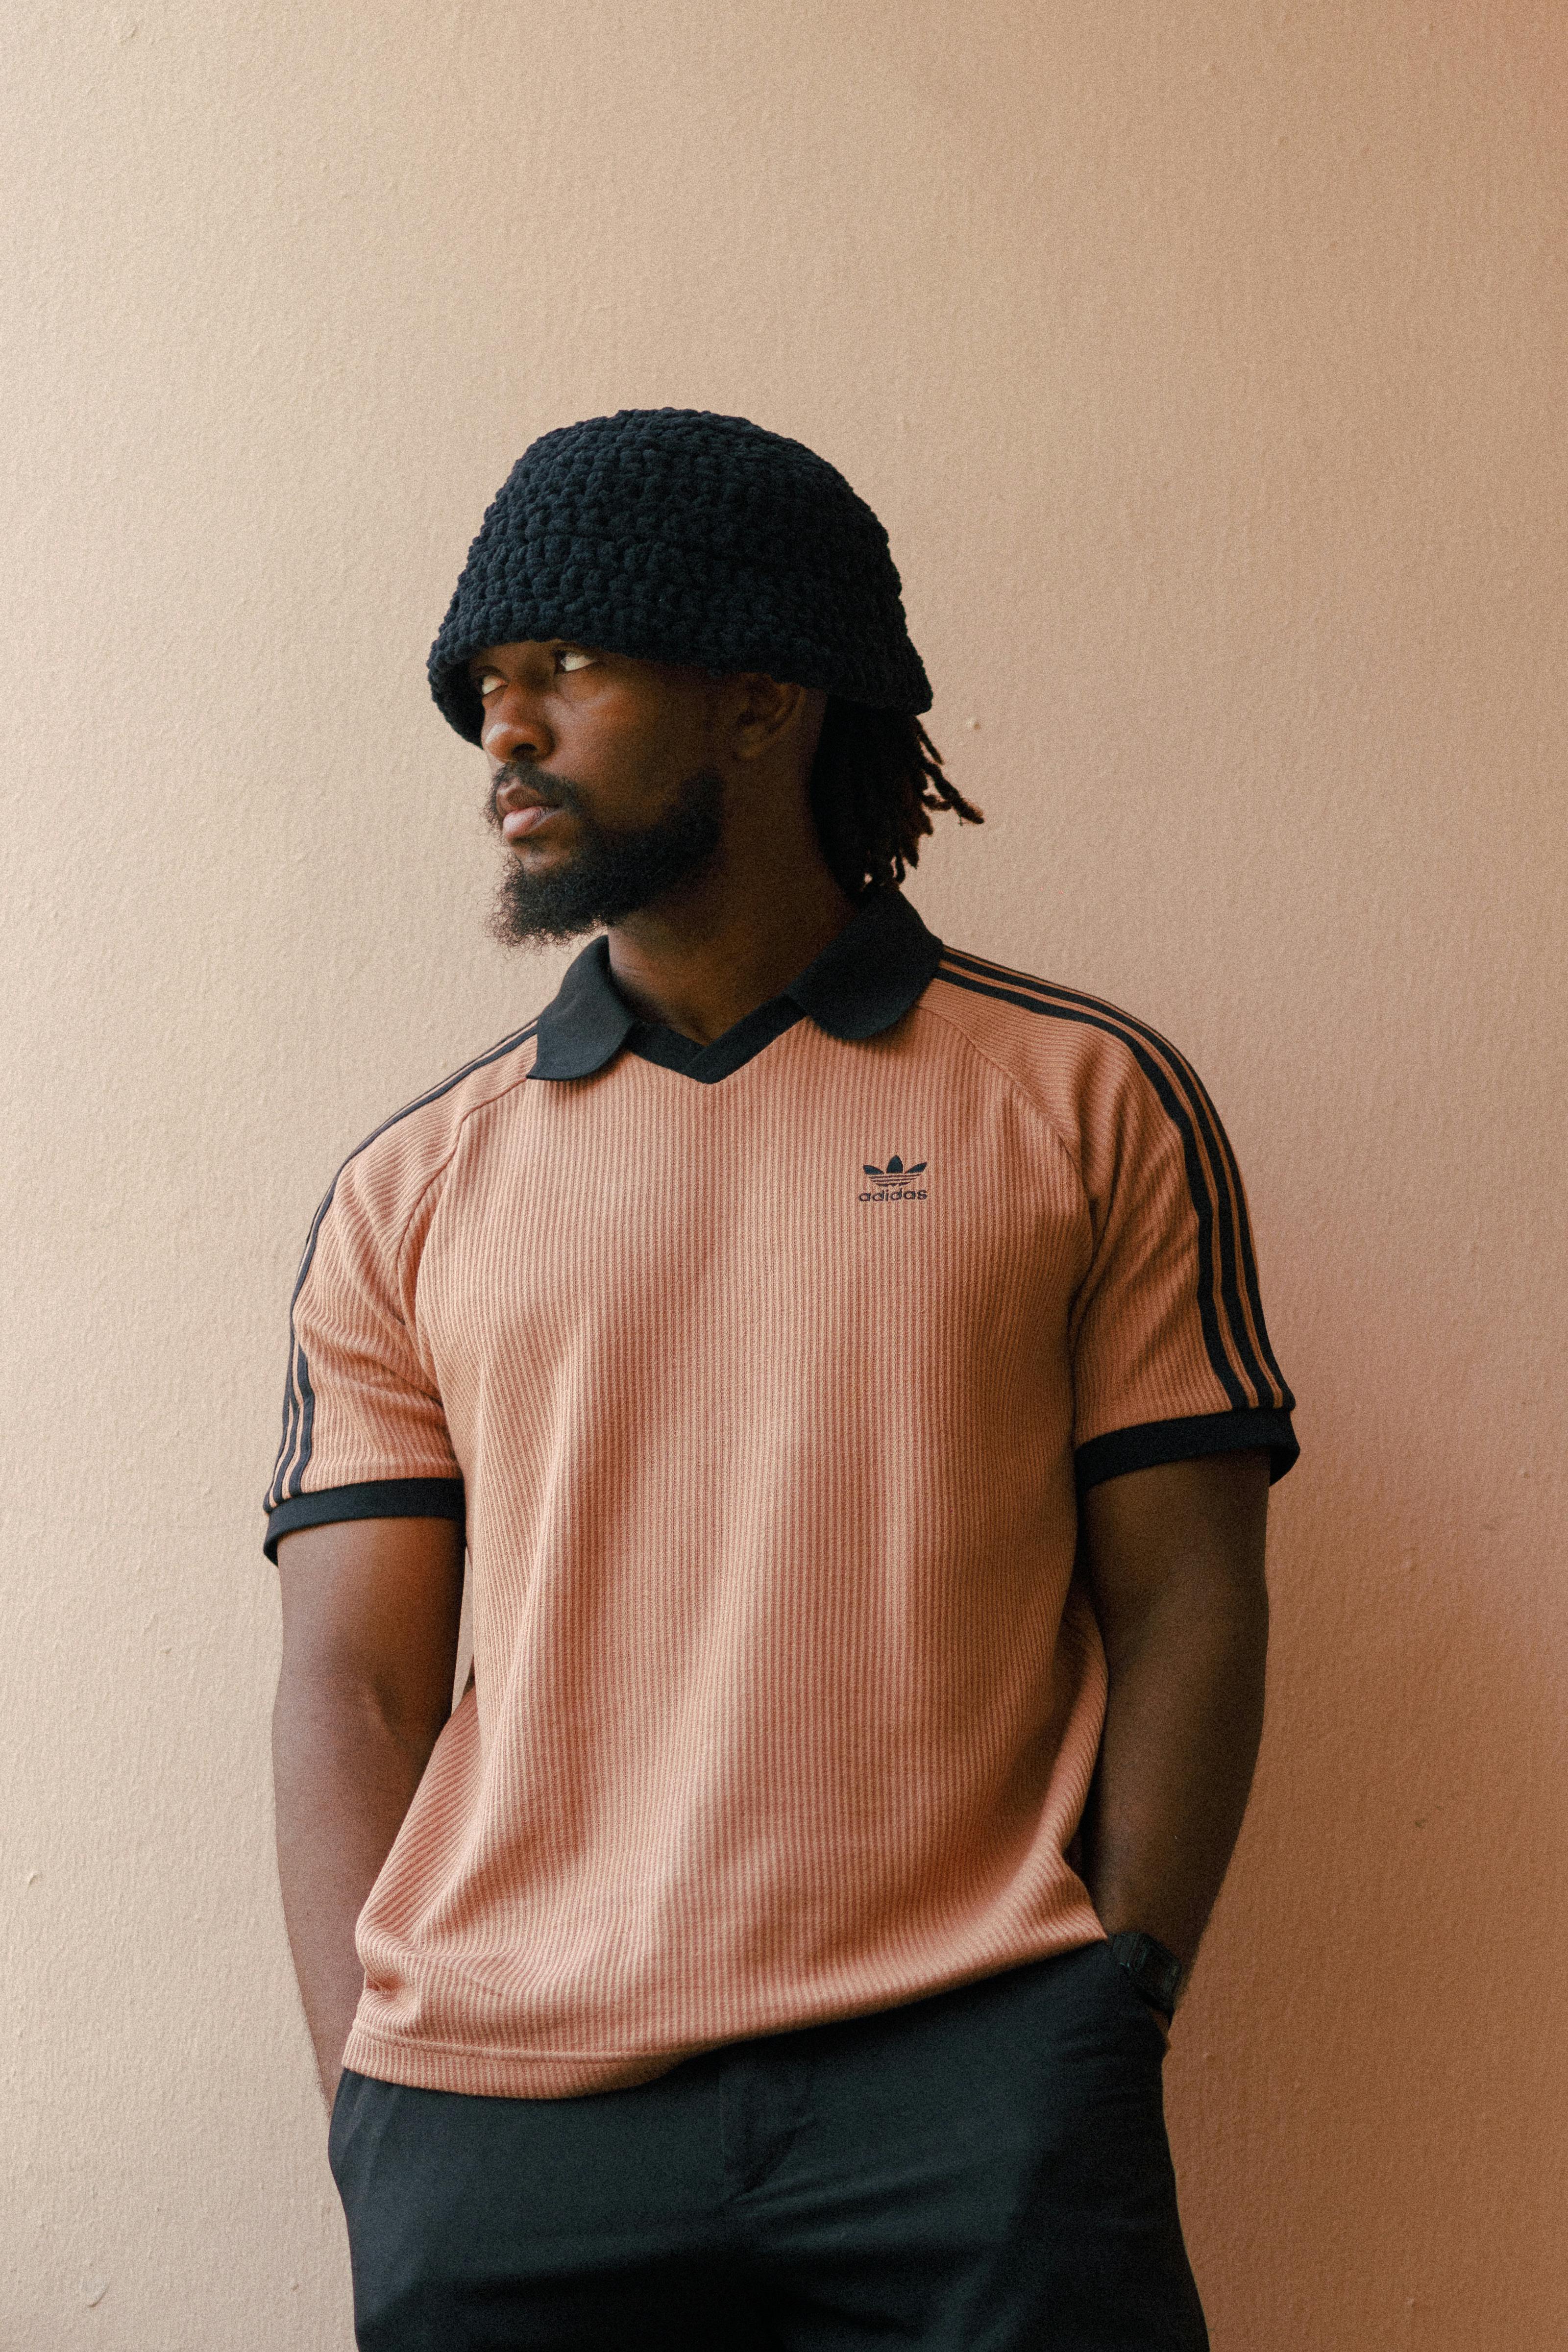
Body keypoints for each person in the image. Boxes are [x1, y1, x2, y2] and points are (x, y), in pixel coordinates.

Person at [266, 407, 1297, 2351]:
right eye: (484, 687)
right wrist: (367, 2099)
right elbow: (352, 1680)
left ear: (762, 702)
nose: (504, 733)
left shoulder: (1082, 1101)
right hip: (499, 2125)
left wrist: (1105, 2011)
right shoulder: (412, 1191)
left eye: (564, 667)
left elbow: (1186, 1593)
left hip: (969, 2094)